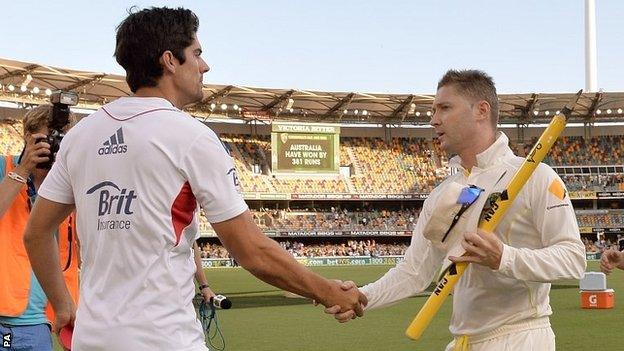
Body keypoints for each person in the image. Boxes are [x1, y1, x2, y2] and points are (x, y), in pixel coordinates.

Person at [23, 7, 365, 351]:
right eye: (197, 54)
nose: (205, 66)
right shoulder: (191, 137)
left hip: (92, 341)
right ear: (170, 61)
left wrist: (63, 304)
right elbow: (252, 251)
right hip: (163, 340)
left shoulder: (82, 136)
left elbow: (36, 232)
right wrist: (327, 291)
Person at [327, 70, 586, 351]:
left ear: (481, 111)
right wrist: (362, 297)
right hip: (463, 342)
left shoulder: (537, 176)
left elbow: (573, 259)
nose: (433, 119)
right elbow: (415, 271)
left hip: (520, 338)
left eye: (445, 108)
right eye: (434, 109)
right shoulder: (442, 194)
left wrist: (504, 257)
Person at [0, 104, 79, 351]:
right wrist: (23, 170)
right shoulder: (5, 167)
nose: (55, 148)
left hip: (41, 320)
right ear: (27, 137)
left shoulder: (70, 182)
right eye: (49, 139)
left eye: (62, 141)